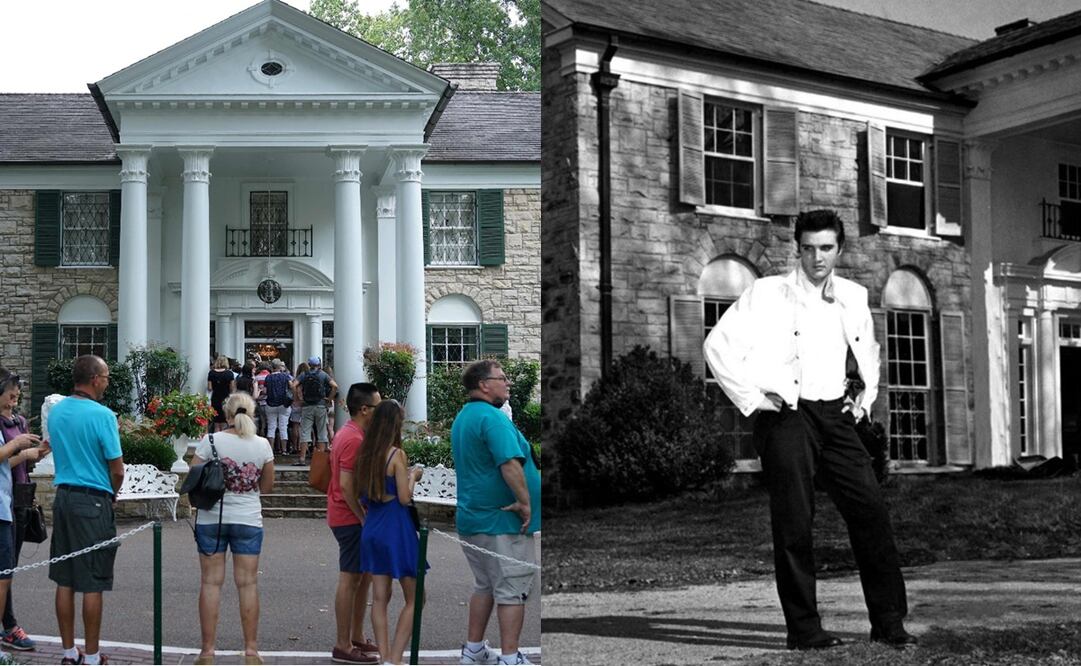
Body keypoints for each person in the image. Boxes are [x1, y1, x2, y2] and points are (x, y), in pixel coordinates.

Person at [704, 209, 915, 650]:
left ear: (839, 249)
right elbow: (717, 346)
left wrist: (864, 398)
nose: (817, 257)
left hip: (836, 417)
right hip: (788, 416)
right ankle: (804, 630)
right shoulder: (767, 293)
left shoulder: (853, 297)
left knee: (871, 512)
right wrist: (756, 400)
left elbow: (868, 352)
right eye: (808, 248)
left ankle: (889, 622)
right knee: (795, 523)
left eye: (826, 248)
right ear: (797, 249)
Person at [451, 360, 540, 666]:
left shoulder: (465, 416)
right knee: (512, 590)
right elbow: (509, 463)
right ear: (483, 384)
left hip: (474, 518)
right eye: (502, 378)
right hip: (500, 521)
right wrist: (525, 502)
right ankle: (510, 657)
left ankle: (474, 650)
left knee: (485, 585)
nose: (508, 383)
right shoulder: (493, 418)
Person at [47, 355, 125, 666]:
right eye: (105, 376)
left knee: (64, 578)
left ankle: (69, 653)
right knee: (93, 580)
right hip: (93, 500)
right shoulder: (102, 415)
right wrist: (113, 493)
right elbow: (117, 469)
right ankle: (92, 656)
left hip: (63, 497)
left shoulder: (57, 411)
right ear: (94, 379)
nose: (107, 381)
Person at [190, 392, 275, 665]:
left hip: (211, 519)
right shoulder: (262, 445)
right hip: (248, 518)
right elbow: (267, 487)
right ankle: (251, 650)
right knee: (248, 584)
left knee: (211, 583)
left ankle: (207, 651)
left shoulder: (210, 441)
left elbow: (193, 477)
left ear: (226, 414)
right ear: (251, 414)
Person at [355, 400, 425, 666]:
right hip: (396, 526)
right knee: (416, 597)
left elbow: (359, 493)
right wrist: (413, 476)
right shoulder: (397, 455)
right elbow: (405, 498)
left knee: (380, 597)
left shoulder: (365, 453)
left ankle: (384, 656)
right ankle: (395, 658)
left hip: (373, 525)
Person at [327, 383, 382, 665]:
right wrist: (363, 518)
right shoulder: (354, 439)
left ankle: (356, 635)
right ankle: (343, 644)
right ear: (364, 409)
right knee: (350, 578)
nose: (380, 411)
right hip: (349, 517)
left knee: (362, 578)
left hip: (348, 515)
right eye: (377, 406)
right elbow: (347, 486)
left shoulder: (350, 433)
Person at [0, 369, 47, 658]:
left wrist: (37, 453)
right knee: (3, 570)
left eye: (17, 393)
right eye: (10, 392)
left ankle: (8, 625)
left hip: (18, 497)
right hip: (3, 500)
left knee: (8, 568)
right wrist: (20, 450)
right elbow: (7, 458)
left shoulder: (19, 420)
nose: (14, 397)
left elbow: (18, 464)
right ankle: (10, 625)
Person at [292, 356, 337, 466]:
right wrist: (329, 399)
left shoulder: (304, 374)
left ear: (309, 364)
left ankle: (302, 458)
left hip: (307, 406)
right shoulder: (323, 374)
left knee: (305, 432)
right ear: (319, 364)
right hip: (321, 405)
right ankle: (320, 460)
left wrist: (297, 399)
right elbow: (335, 386)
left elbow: (293, 385)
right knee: (322, 432)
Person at [262, 360, 293, 455]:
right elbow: (292, 386)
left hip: (270, 404)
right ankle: (284, 450)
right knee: (283, 427)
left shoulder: (268, 377)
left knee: (271, 427)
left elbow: (265, 391)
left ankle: (270, 450)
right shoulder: (285, 376)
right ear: (280, 367)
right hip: (283, 404)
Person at [207, 356, 236, 434]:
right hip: (225, 399)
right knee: (224, 423)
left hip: (215, 398)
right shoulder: (229, 374)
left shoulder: (211, 373)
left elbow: (209, 388)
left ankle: (215, 441)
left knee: (216, 423)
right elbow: (232, 388)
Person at [288, 362, 309, 457]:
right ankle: (303, 447)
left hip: (295, 404)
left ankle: (295, 446)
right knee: (304, 427)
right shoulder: (308, 380)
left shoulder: (295, 380)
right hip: (305, 404)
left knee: (295, 426)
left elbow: (293, 392)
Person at [252, 362, 271, 439]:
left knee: (262, 420)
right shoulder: (270, 376)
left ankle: (262, 433)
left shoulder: (257, 377)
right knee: (270, 421)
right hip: (269, 401)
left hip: (260, 401)